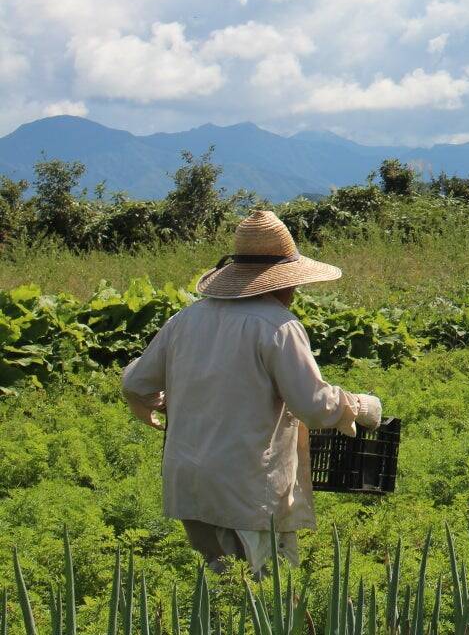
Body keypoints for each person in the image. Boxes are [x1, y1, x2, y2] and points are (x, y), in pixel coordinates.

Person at [121, 210, 383, 577]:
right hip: (247, 490)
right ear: (281, 282)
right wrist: (360, 407)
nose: (295, 291)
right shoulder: (277, 326)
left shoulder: (185, 320)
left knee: (218, 588)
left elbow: (136, 383)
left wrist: (163, 405)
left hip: (190, 485)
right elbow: (312, 406)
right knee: (266, 596)